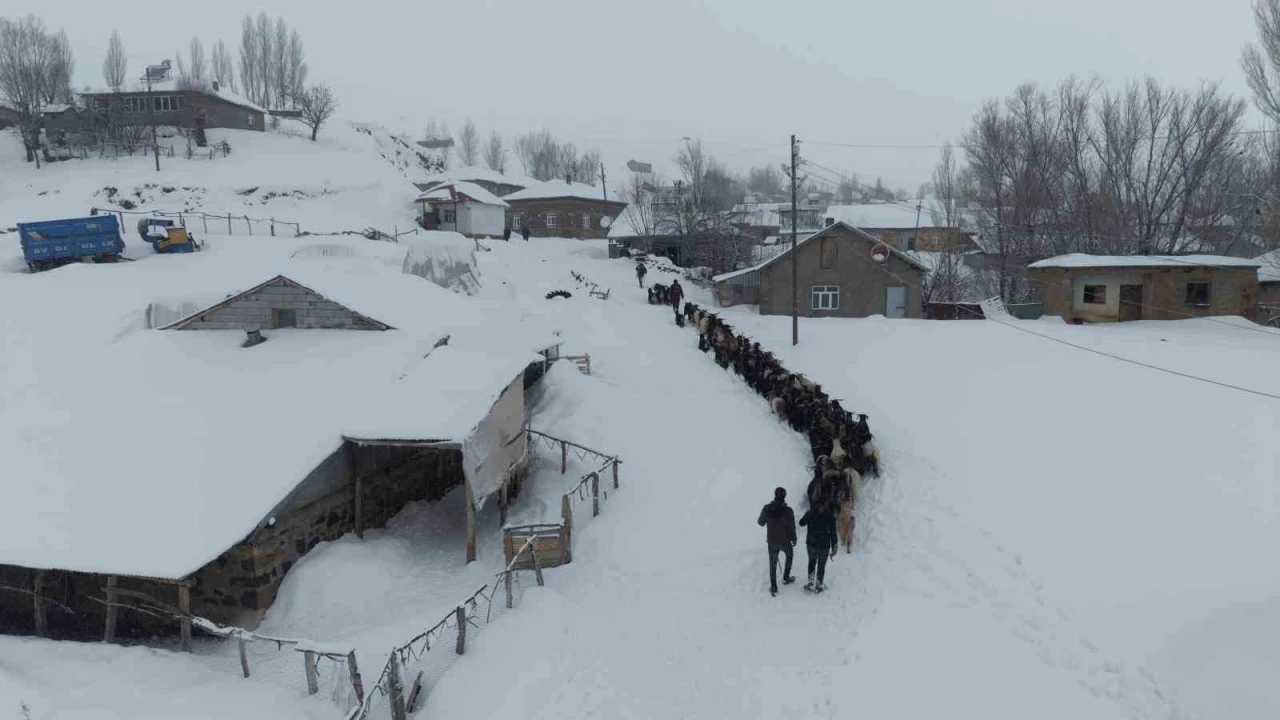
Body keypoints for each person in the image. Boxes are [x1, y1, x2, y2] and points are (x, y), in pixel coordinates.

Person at [757, 487, 797, 596]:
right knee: (789, 555)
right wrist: (794, 539)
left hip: (772, 541)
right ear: (784, 496)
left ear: (775, 495)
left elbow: (760, 522)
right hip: (785, 541)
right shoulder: (788, 510)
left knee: (772, 563)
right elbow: (792, 527)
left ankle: (774, 587)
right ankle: (786, 577)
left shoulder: (767, 508)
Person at [798, 500, 838, 592]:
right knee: (821, 565)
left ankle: (810, 583)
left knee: (812, 562)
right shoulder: (830, 517)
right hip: (824, 546)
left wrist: (807, 517)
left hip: (811, 544)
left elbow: (801, 523)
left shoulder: (810, 513)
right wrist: (834, 546)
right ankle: (819, 585)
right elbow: (833, 534)